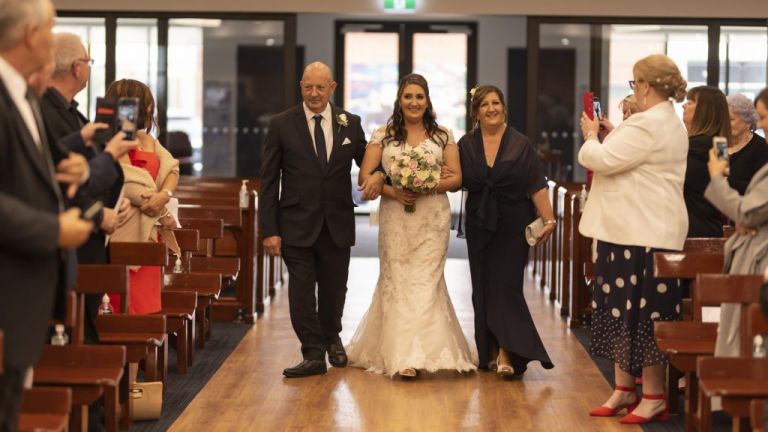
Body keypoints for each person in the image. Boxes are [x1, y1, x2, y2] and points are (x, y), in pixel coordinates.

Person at [579, 54, 689, 424]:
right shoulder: (661, 121)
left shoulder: (648, 124)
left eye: (634, 83)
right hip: (630, 230)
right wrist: (611, 135)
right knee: (617, 310)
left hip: (643, 233)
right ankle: (624, 388)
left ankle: (653, 395)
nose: (634, 90)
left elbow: (600, 160)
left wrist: (592, 136)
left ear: (644, 85)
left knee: (642, 315)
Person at [0, 1, 94, 429]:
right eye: (51, 29)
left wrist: (62, 173)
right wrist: (54, 228)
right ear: (31, 35)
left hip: (23, 296)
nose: (55, 41)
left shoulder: (21, 95)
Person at [346, 73, 477, 378]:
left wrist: (428, 184)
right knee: (399, 280)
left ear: (427, 100)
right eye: (408, 97)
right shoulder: (385, 135)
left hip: (431, 218)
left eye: (419, 97)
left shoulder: (443, 135)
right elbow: (365, 178)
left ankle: (428, 351)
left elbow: (457, 178)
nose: (414, 102)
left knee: (427, 282)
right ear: (400, 101)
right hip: (396, 218)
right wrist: (393, 189)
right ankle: (401, 355)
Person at [259, 62, 384, 378]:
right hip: (296, 223)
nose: (314, 94)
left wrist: (381, 176)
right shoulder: (282, 124)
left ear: (333, 87)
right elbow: (269, 180)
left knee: (334, 290)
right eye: (308, 87)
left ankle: (332, 337)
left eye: (320, 87)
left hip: (337, 222)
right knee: (301, 292)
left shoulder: (350, 123)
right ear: (301, 86)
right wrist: (270, 230)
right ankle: (312, 353)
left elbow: (367, 164)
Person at [457, 84, 554, 377]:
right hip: (479, 224)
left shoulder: (520, 144)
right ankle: (487, 350)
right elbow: (453, 178)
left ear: (504, 107)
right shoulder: (465, 144)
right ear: (476, 113)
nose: (491, 108)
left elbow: (535, 184)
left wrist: (549, 219)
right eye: (484, 104)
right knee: (482, 288)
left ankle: (508, 352)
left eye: (496, 102)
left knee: (506, 287)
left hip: (513, 225)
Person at [108, 79, 180, 315]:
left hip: (150, 232)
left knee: (148, 307)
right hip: (125, 227)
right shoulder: (110, 140)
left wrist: (164, 195)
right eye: (149, 104)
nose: (152, 110)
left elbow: (172, 169)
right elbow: (126, 182)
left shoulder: (149, 140)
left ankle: (146, 351)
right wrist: (160, 206)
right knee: (124, 305)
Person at [706, 88, 768, 357]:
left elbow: (746, 212)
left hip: (760, 258)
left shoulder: (759, 149)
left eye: (765, 116)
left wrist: (719, 179)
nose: (762, 124)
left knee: (745, 342)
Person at [682, 86, 731, 238]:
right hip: (711, 226)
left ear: (704, 110)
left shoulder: (693, 146)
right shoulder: (721, 143)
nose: (684, 105)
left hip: (693, 230)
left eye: (690, 102)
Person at [725, 93, 768, 195]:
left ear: (748, 122)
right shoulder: (720, 143)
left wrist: (727, 182)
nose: (725, 123)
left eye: (730, 119)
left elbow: (760, 189)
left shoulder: (761, 147)